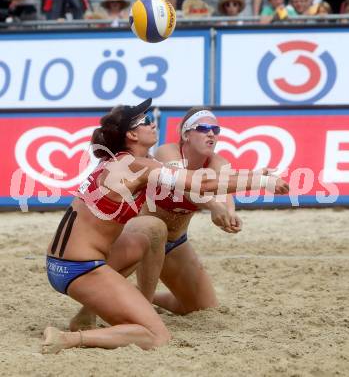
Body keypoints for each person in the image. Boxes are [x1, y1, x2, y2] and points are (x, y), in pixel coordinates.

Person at [69, 107, 289, 322]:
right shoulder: (167, 152)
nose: (211, 133)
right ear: (186, 134)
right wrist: (214, 206)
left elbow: (224, 187)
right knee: (154, 229)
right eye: (203, 128)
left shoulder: (218, 162)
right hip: (142, 233)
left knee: (201, 307)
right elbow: (186, 185)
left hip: (175, 241)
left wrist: (229, 214)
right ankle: (101, 310)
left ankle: (137, 297)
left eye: (215, 129)